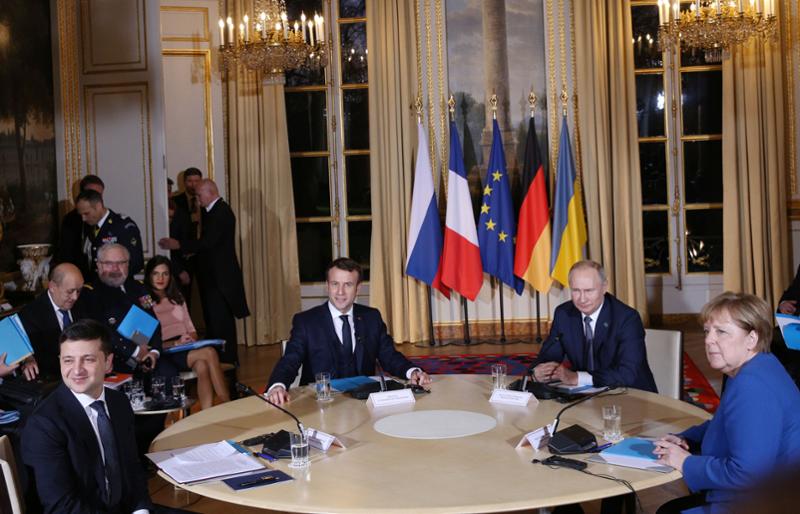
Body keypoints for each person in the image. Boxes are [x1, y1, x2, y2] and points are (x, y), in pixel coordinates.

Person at [653, 292, 800, 514]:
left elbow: (749, 474)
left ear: (752, 339)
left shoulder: (752, 386)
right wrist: (687, 439)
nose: (708, 340)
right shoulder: (759, 365)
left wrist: (685, 462)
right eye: (707, 331)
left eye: (721, 332)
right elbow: (728, 422)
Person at [21, 319, 153, 513]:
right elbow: (61, 506)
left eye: (88, 359)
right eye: (68, 360)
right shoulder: (44, 424)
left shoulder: (119, 403)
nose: (77, 370)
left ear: (108, 363)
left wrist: (141, 510)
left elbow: (133, 469)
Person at [266, 257, 431, 405]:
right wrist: (278, 385)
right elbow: (290, 360)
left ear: (358, 288)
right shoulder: (306, 322)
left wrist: (412, 371)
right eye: (335, 284)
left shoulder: (371, 317)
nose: (340, 292)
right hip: (321, 403)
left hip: (363, 401)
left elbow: (389, 355)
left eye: (348, 285)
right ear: (327, 286)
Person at [158, 179, 249, 365]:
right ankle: (219, 359)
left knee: (221, 322)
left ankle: (227, 361)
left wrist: (179, 245)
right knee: (214, 321)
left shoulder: (221, 212)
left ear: (210, 192)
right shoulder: (214, 211)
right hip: (214, 278)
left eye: (199, 196)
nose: (197, 200)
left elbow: (208, 243)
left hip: (220, 279)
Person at [529, 260, 657, 392]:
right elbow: (549, 356)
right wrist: (538, 371)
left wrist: (577, 377)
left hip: (631, 393)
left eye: (589, 291)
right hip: (584, 394)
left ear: (604, 287)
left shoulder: (627, 318)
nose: (582, 299)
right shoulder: (564, 314)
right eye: (576, 291)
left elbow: (627, 374)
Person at [77, 243, 176, 379]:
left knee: (170, 373)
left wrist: (154, 352)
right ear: (98, 265)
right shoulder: (90, 294)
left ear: (128, 264)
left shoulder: (138, 288)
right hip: (116, 361)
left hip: (148, 356)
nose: (115, 269)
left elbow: (154, 323)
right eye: (109, 263)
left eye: (121, 263)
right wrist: (136, 351)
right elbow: (100, 332)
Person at [144, 256, 230, 409]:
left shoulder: (177, 296)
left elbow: (191, 329)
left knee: (202, 366)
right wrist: (175, 343)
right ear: (149, 276)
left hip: (185, 346)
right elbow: (148, 342)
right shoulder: (145, 301)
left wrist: (190, 339)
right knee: (210, 352)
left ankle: (207, 414)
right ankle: (227, 405)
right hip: (165, 350)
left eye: (165, 274)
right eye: (156, 273)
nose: (160, 278)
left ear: (170, 276)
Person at [18, 263, 87, 380]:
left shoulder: (85, 302)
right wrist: (28, 359)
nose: (75, 297)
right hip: (53, 378)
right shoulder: (30, 315)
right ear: (52, 287)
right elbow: (32, 356)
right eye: (70, 291)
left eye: (78, 291)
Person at [76, 189, 144, 279]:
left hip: (118, 284)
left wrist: (112, 278)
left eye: (86, 213)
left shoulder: (122, 226)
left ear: (98, 206)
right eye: (81, 215)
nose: (83, 219)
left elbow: (136, 263)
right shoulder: (87, 226)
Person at [54, 174, 105, 277]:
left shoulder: (109, 219)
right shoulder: (70, 220)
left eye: (99, 195)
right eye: (91, 194)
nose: (96, 199)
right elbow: (66, 253)